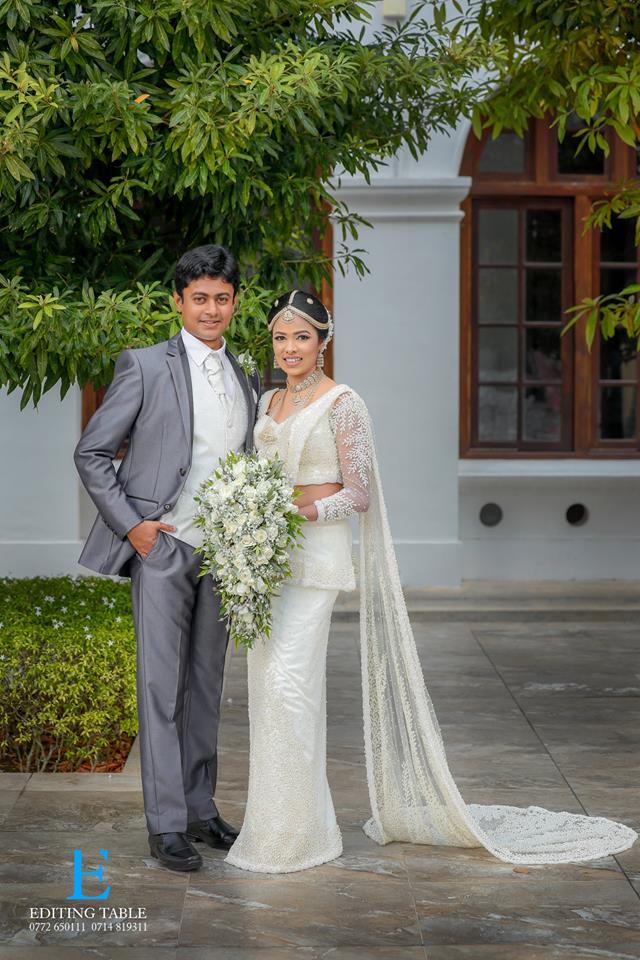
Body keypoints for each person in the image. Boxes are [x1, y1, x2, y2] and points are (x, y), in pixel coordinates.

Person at [225, 289, 638, 874]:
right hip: (266, 560)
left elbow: (359, 494)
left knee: (291, 687)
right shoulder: (268, 400)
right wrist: (251, 515)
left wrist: (298, 511)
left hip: (314, 558)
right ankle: (286, 827)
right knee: (266, 690)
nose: (289, 348)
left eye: (301, 337)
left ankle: (297, 837)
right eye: (280, 338)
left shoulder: (344, 403)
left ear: (323, 341)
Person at [74, 245, 260, 873]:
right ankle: (166, 823)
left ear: (234, 303)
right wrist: (135, 529)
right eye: (199, 298)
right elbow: (92, 453)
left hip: (224, 552)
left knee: (207, 684)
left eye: (222, 298)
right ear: (178, 301)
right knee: (161, 687)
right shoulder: (146, 364)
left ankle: (201, 809)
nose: (211, 309)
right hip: (164, 547)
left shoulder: (244, 373)